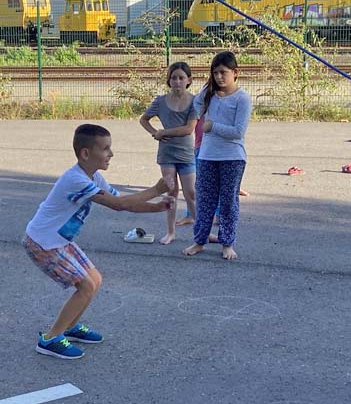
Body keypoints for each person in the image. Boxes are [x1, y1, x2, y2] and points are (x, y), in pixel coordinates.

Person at [24, 124, 174, 359]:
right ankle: (50, 339)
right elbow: (120, 205)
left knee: (94, 279)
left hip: (58, 239)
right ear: (85, 153)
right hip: (43, 242)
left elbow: (122, 201)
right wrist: (156, 189)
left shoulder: (93, 176)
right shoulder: (76, 180)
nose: (111, 154)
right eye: (105, 149)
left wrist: (156, 207)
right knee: (84, 286)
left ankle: (70, 327)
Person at [183, 51, 252, 260]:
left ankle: (227, 242)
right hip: (207, 155)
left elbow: (238, 132)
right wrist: (207, 89)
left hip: (232, 157)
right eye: (215, 73)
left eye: (223, 72)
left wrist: (213, 127)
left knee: (229, 201)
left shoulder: (242, 98)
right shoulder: (209, 94)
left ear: (235, 72)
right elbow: (196, 105)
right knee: (204, 199)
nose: (219, 77)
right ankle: (199, 240)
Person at [139, 62, 199, 246]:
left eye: (181, 77)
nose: (177, 81)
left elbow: (189, 129)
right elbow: (144, 119)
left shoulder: (195, 101)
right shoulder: (160, 101)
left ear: (189, 80)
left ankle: (201, 232)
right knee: (171, 192)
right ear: (169, 80)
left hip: (186, 153)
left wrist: (163, 132)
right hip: (167, 154)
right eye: (174, 78)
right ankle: (171, 232)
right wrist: (154, 132)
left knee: (191, 193)